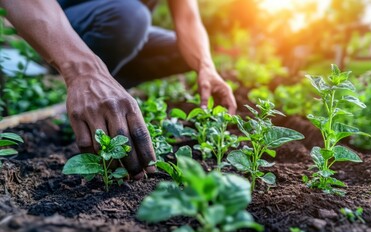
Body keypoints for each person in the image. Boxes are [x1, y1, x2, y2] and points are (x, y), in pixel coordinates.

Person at [0, 0, 237, 179]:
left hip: (124, 23)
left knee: (184, 53)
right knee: (131, 16)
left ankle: (105, 94)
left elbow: (188, 17)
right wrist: (82, 71)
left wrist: (206, 67)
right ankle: (71, 79)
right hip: (62, 23)